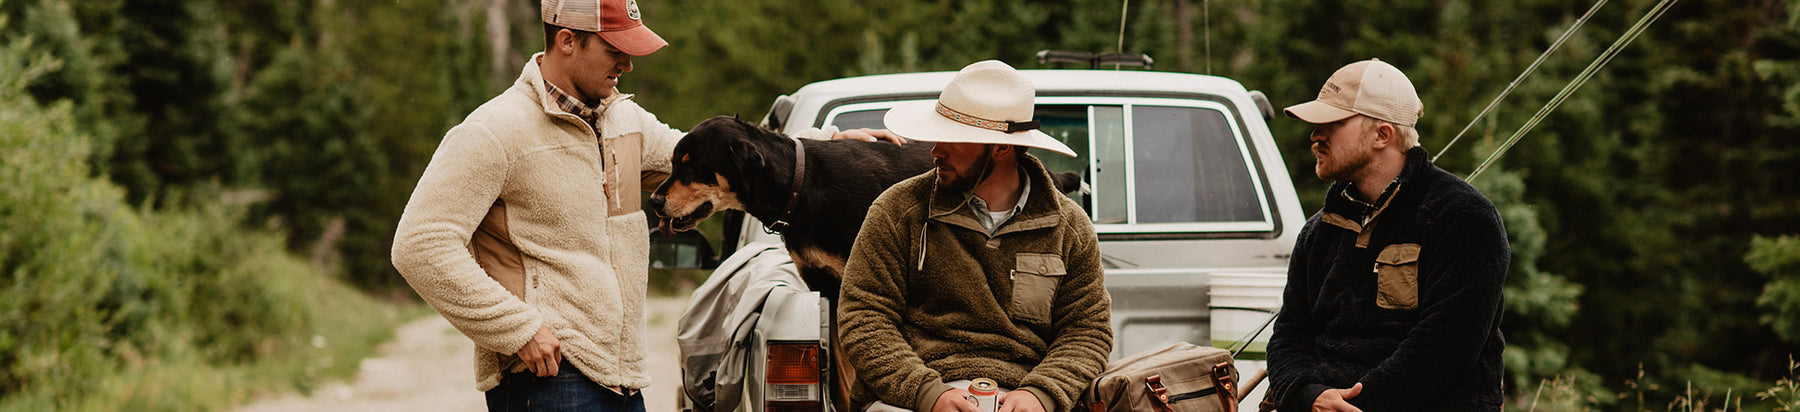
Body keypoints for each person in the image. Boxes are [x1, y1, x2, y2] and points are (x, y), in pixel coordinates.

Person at [391, 0, 891, 410]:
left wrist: (826, 149)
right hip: (546, 378)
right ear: (567, 40)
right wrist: (517, 329)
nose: (627, 65)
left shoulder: (623, 121)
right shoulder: (492, 132)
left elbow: (725, 161)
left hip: (622, 379)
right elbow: (420, 244)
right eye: (615, 50)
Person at [837, 60, 1113, 412]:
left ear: (1000, 148)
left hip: (1023, 395)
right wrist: (929, 395)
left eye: (952, 140)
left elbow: (1087, 331)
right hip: (911, 399)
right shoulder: (898, 210)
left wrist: (1039, 395)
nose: (936, 151)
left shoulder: (1069, 228)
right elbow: (864, 317)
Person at [1264, 58, 1510, 411]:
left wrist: (1353, 407)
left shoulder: (1463, 218)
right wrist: (1308, 395)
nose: (1315, 136)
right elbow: (1288, 336)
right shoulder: (1319, 231)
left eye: (1332, 124)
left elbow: (1446, 347)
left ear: (1382, 135)